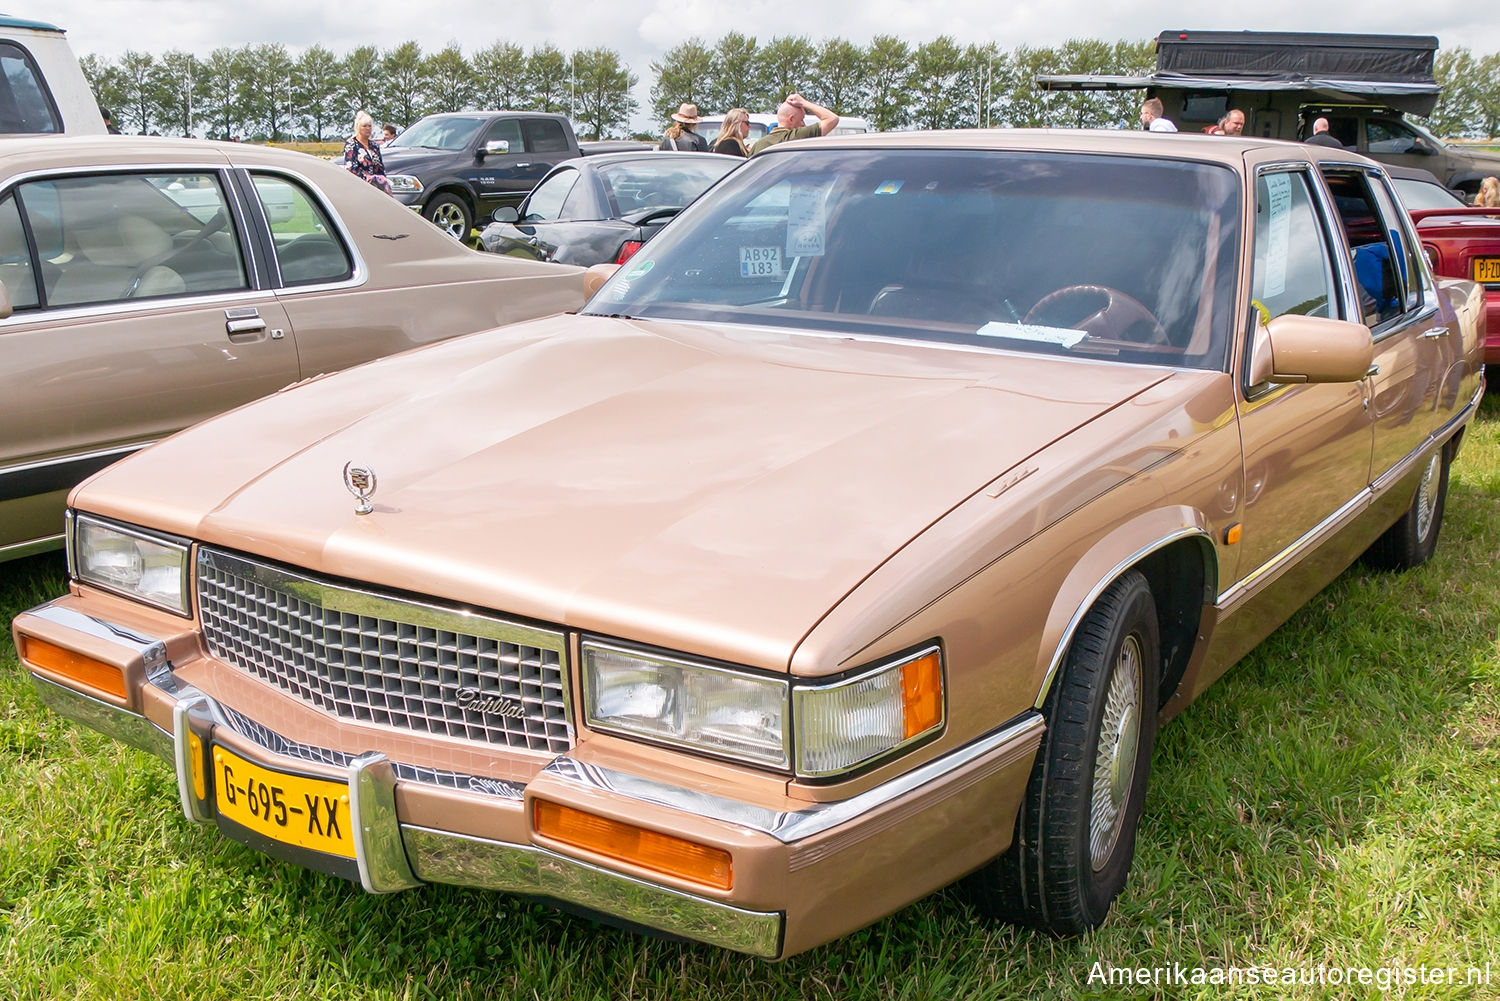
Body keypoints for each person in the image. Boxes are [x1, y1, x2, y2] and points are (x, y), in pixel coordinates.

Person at [749, 93, 839, 156]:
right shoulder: (796, 136)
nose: (803, 124)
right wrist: (804, 102)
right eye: (801, 119)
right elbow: (832, 119)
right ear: (791, 119)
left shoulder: (758, 145)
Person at [344, 110, 393, 194]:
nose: (368, 128)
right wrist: (369, 179)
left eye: (369, 126)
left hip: (377, 188)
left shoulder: (374, 145)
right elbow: (351, 169)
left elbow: (380, 167)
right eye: (364, 126)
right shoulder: (351, 144)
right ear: (358, 127)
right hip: (359, 188)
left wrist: (381, 180)